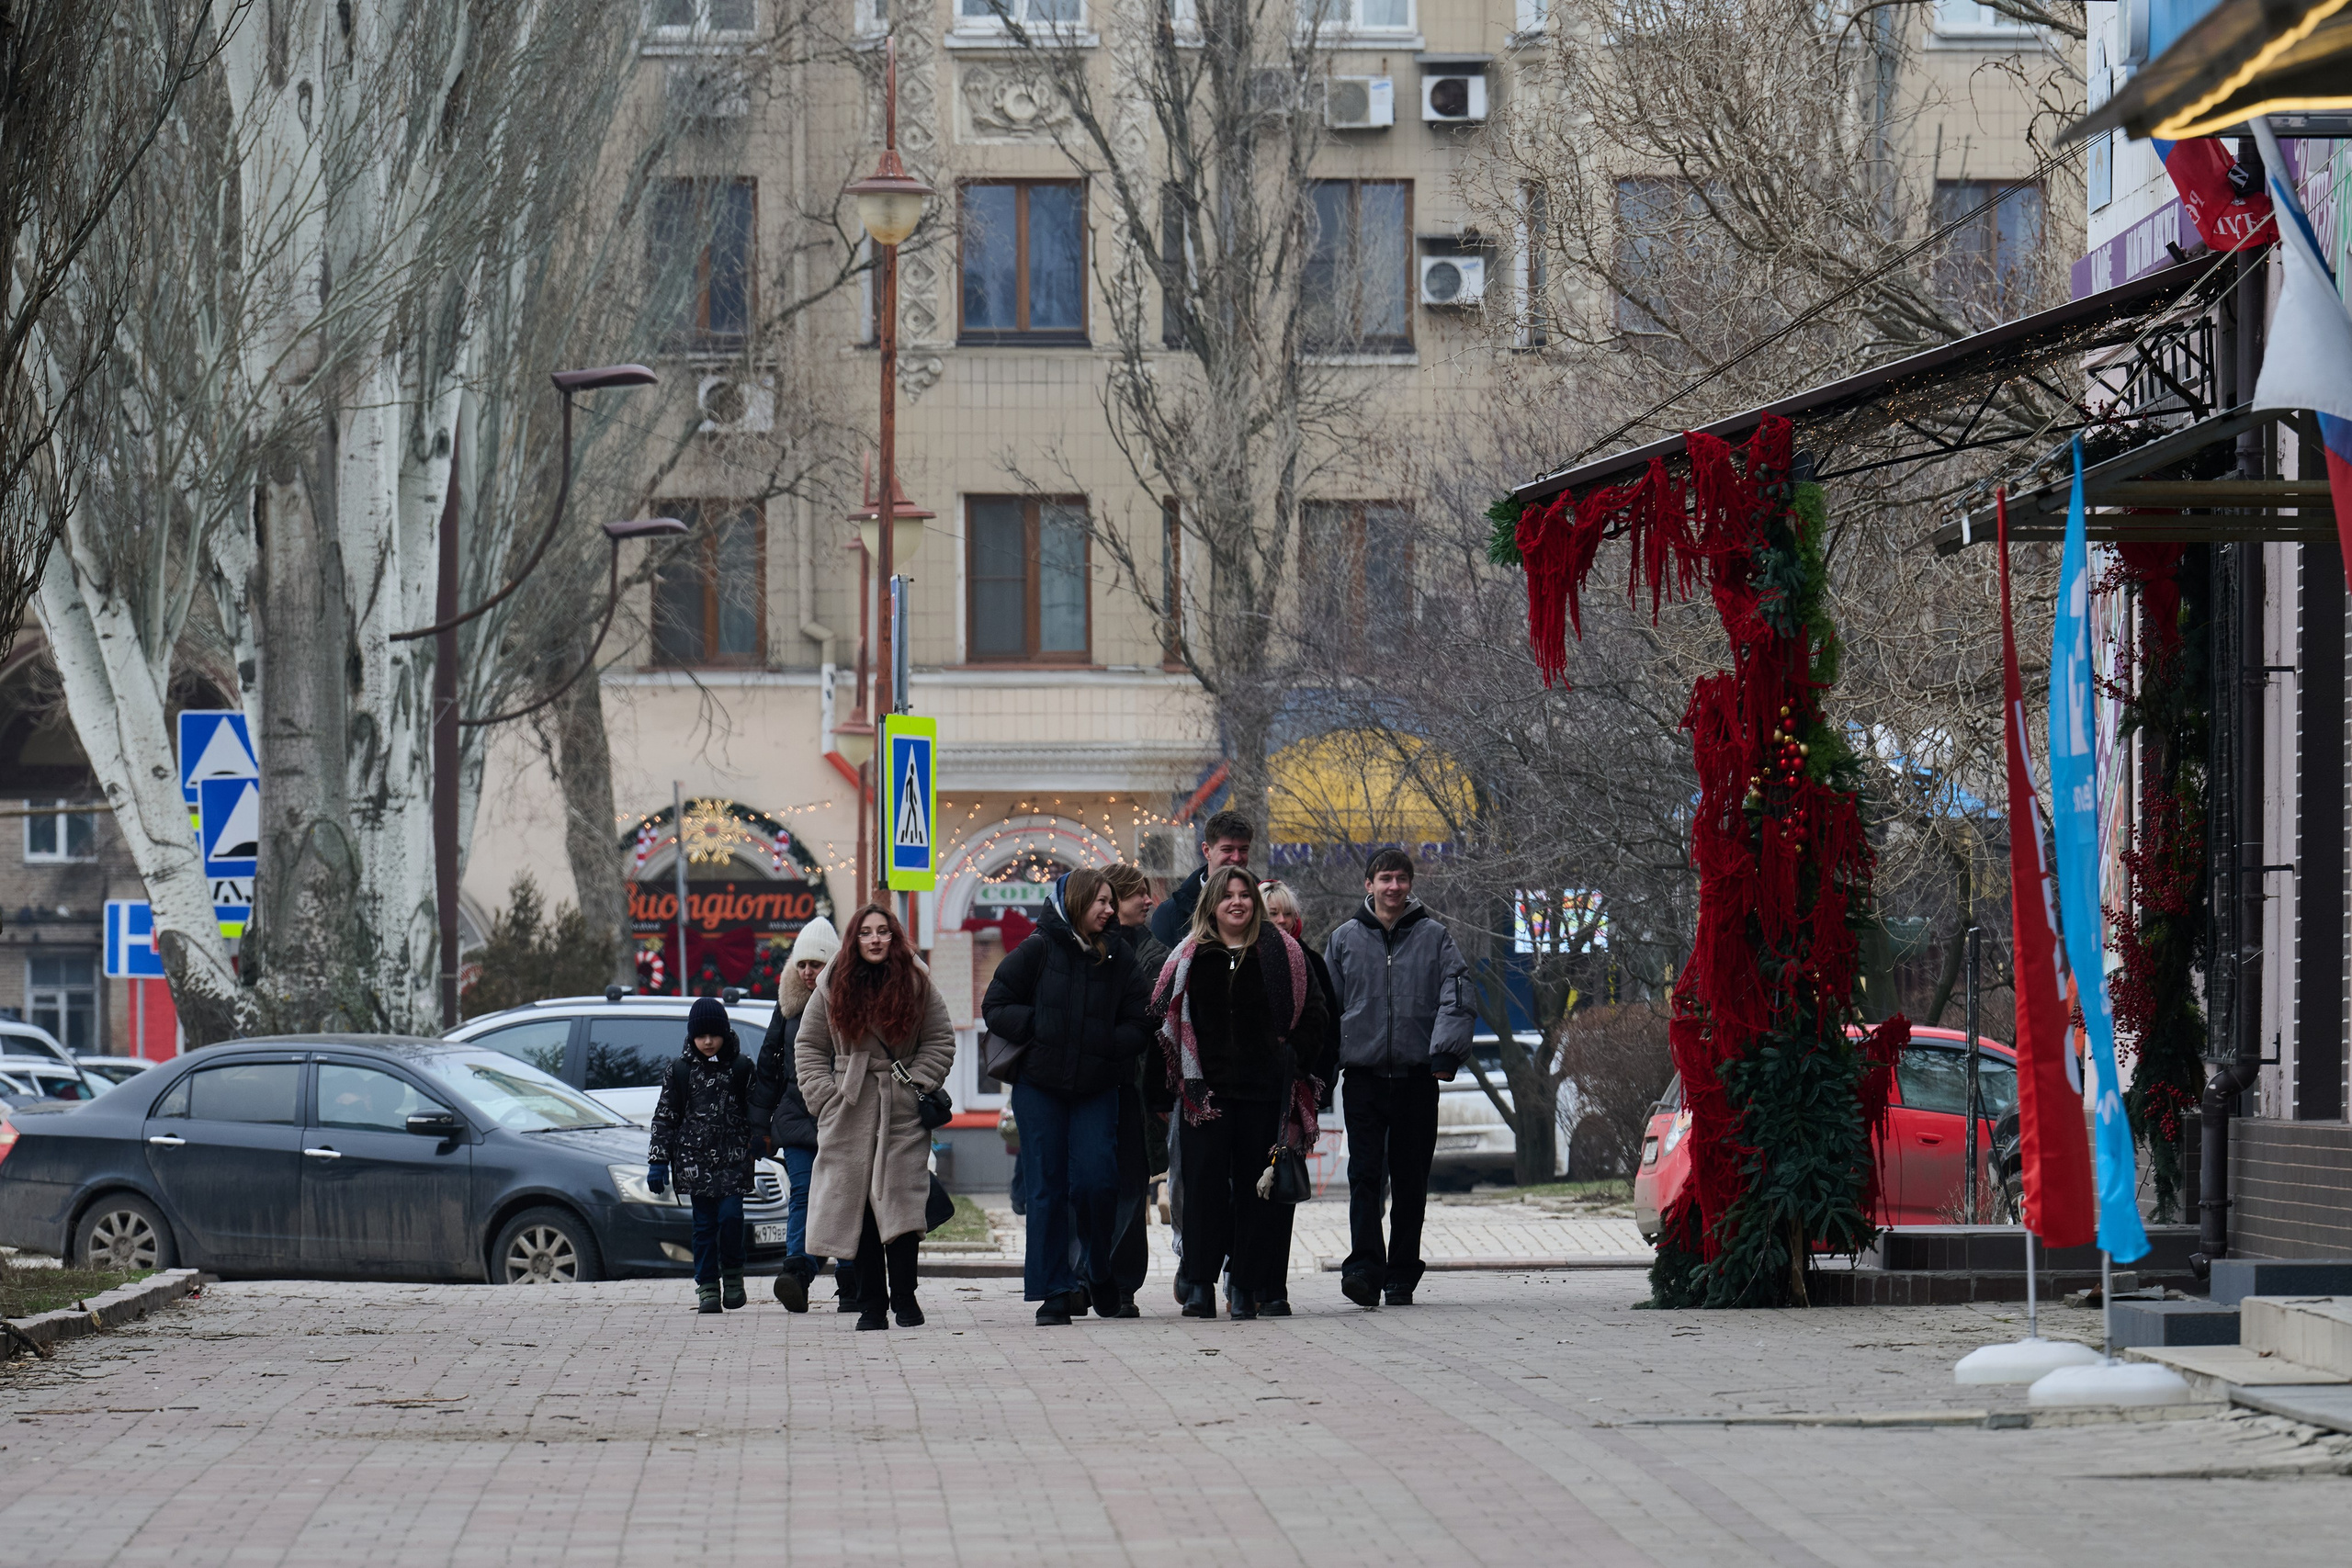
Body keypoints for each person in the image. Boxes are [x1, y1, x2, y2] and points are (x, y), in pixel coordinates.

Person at [1150, 865, 1325, 1321]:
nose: (1237, 902)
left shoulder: (1282, 953)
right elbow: (1165, 1024)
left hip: (1263, 1095)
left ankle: (1245, 1286)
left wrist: (1292, 1059)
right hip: (1202, 1097)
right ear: (1212, 903)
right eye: (1226, 895)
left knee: (1257, 1195)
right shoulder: (1189, 954)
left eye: (1244, 894)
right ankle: (1200, 1286)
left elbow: (1315, 1016)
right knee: (1203, 1193)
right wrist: (1159, 1092)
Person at [982, 867, 1154, 1325]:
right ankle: (1054, 1290)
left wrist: (1105, 1046)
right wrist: (1040, 1028)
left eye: (1110, 901)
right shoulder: (1037, 949)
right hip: (1040, 1088)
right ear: (1077, 903)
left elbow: (1142, 1020)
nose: (1109, 909)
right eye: (1100, 900)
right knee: (1047, 1188)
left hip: (1097, 1088)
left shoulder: (1118, 956)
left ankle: (1097, 1266)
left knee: (1099, 1181)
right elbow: (995, 1006)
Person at [1323, 847, 1477, 1308]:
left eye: (1402, 879)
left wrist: (1444, 1054)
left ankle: (1402, 1272)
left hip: (1415, 1079)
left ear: (1411, 885)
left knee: (1411, 1178)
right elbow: (1327, 1011)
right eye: (1385, 879)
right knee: (1365, 1176)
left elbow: (1457, 994)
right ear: (1368, 885)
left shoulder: (1436, 938)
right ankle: (1364, 1270)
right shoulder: (1344, 940)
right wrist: (1319, 1073)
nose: (1394, 887)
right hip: (1364, 1078)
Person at [796, 903, 956, 1331]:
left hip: (898, 1108)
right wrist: (825, 1099)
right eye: (865, 932)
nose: (874, 939)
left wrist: (915, 1085)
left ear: (894, 937)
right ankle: (870, 1304)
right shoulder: (831, 983)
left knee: (901, 1205)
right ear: (854, 939)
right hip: (847, 1109)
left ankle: (906, 1298)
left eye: (882, 931)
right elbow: (809, 1046)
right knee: (857, 1210)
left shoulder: (916, 982)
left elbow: (940, 1039)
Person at [1256, 879, 1341, 1317]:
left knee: (1281, 1187)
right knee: (1246, 1190)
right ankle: (1244, 1279)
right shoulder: (1241, 960)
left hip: (1293, 1093)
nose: (1280, 921)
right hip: (1245, 1092)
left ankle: (1274, 1286)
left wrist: (1306, 1069)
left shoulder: (1309, 961)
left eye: (1285, 913)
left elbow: (1328, 1027)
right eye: (1270, 912)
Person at [750, 916, 842, 1313]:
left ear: (833, 964)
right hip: (795, 1113)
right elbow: (768, 1066)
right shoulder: (787, 1004)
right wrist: (758, 1125)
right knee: (803, 1194)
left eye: (816, 964)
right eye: (802, 964)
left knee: (844, 1196)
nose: (807, 972)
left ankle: (852, 1276)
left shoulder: (848, 1001)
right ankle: (797, 1273)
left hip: (841, 1115)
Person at [647, 995, 760, 1314]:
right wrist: (658, 1160)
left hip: (734, 1161)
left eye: (714, 1034)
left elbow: (757, 1110)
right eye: (701, 1035)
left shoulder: (741, 1068)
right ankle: (707, 1286)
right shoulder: (679, 1071)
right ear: (691, 1036)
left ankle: (734, 1276)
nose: (708, 1042)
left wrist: (762, 1140)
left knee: (732, 1217)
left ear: (725, 1033)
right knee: (704, 1227)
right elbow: (665, 1117)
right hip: (693, 1163)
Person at [1102, 862, 1169, 1301]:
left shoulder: (1157, 956)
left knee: (1130, 1188)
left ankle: (1123, 1287)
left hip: (1138, 1090)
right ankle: (1090, 1276)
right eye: (1135, 895)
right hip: (1091, 1087)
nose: (1147, 901)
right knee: (1089, 1185)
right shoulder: (1084, 950)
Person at [1148, 807, 1254, 950]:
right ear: (1206, 851)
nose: (1236, 858)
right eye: (1227, 850)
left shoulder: (1267, 904)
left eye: (1243, 850)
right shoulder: (1170, 914)